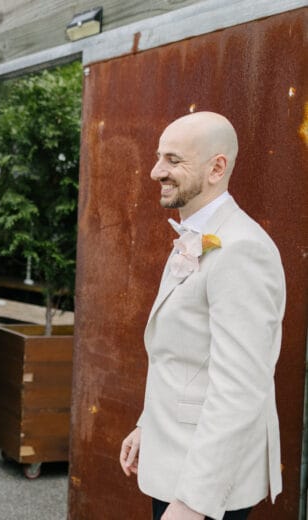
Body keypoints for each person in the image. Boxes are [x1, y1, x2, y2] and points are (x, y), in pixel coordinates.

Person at [119, 112, 285, 520]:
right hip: (174, 457)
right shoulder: (194, 237)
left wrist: (193, 502)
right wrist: (147, 424)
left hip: (205, 486)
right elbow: (185, 355)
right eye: (159, 157)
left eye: (173, 160)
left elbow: (241, 388)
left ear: (216, 168)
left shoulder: (241, 249)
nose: (157, 171)